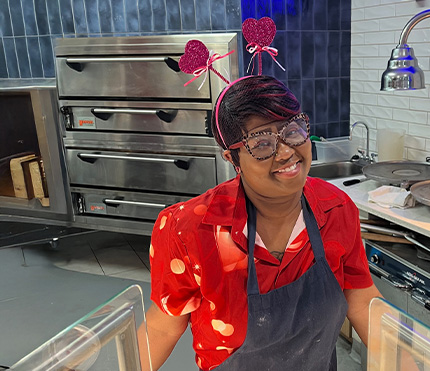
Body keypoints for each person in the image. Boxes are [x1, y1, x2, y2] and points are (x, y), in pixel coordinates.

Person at [140, 75, 380, 371]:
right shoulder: (188, 229)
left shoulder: (335, 209)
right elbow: (163, 327)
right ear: (233, 158)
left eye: (292, 130)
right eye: (262, 143)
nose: (287, 152)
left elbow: (362, 301)